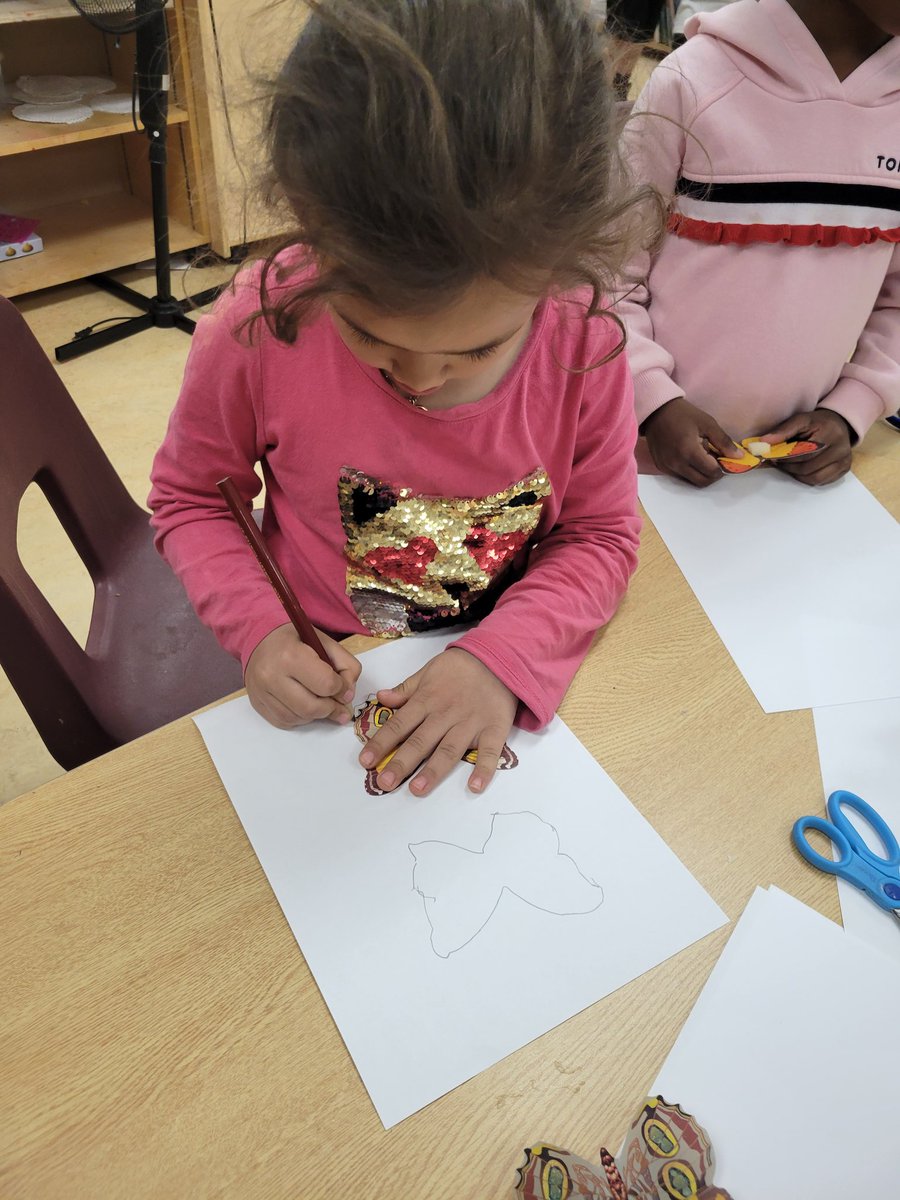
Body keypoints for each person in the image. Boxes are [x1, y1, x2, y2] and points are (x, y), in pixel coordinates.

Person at [149, 0, 657, 797]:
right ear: (308, 230)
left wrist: (503, 656)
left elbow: (600, 535)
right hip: (326, 664)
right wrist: (260, 630)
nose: (420, 381)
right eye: (371, 335)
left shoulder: (581, 343)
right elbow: (191, 500)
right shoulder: (257, 331)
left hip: (493, 653)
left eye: (478, 349)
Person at [617, 0, 900, 487]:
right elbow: (605, 271)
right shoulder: (692, 80)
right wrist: (653, 401)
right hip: (644, 462)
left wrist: (851, 408)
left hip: (795, 480)